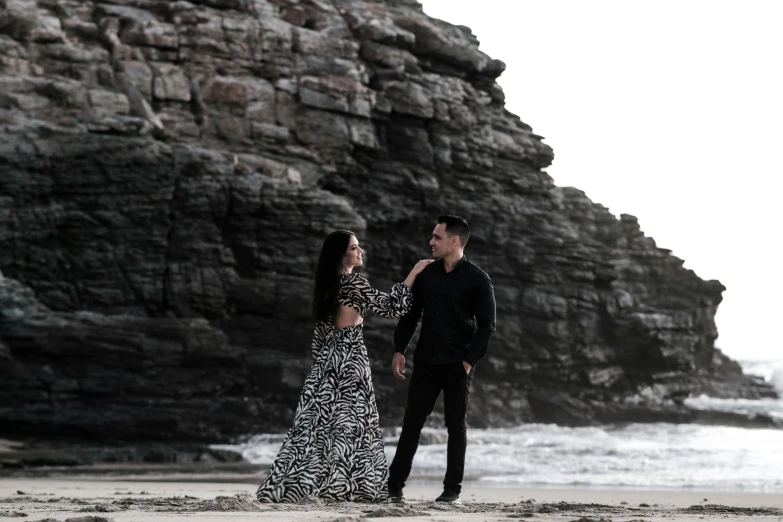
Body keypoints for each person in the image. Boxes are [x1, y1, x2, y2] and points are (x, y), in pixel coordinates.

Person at [256, 230, 433, 503]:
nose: (360, 251)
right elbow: (392, 307)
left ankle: (297, 487)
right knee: (354, 424)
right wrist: (414, 273)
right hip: (350, 359)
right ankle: (350, 487)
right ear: (342, 254)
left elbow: (319, 339)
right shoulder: (353, 283)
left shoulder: (328, 287)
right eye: (354, 247)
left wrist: (324, 369)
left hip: (327, 363)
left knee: (316, 427)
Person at [387, 215, 497, 505]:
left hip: (457, 364)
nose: (431, 242)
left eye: (437, 237)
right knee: (411, 424)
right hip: (425, 361)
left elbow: (488, 325)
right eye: (432, 236)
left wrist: (468, 361)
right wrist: (400, 349)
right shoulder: (427, 274)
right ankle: (393, 488)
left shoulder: (478, 279)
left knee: (455, 427)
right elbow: (411, 315)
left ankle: (452, 492)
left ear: (454, 240)